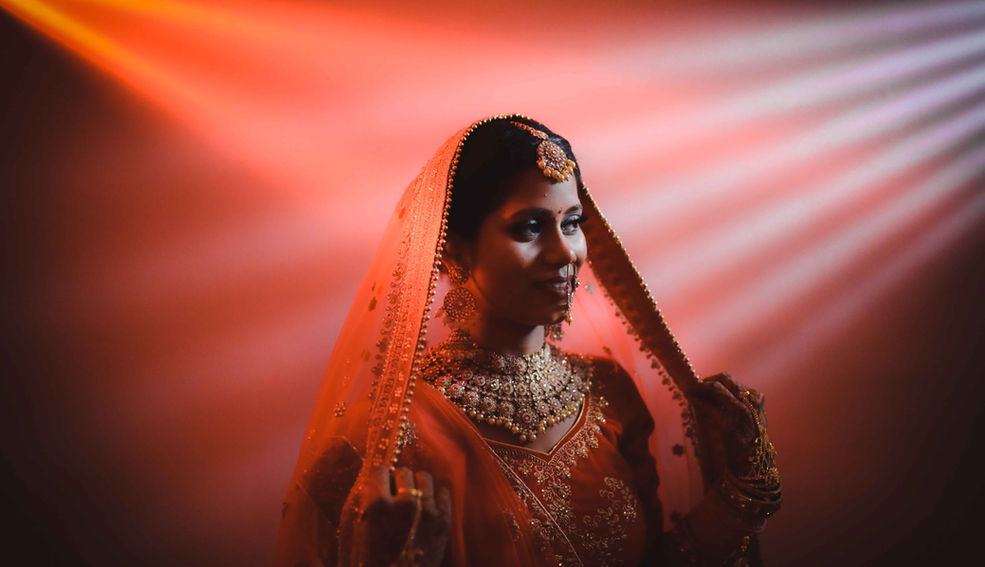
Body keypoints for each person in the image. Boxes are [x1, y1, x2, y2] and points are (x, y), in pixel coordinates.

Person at [274, 115, 782, 567]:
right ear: (456, 251)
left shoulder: (609, 394)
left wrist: (740, 497)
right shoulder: (384, 434)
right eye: (530, 227)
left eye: (573, 223)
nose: (565, 252)